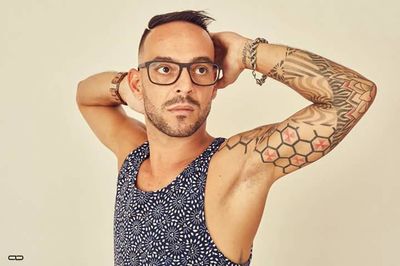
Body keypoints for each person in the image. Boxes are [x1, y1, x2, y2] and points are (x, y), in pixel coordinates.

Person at [75, 10, 377, 266]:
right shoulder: (134, 155)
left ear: (215, 83)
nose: (184, 85)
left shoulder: (234, 165)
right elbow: (85, 95)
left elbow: (353, 94)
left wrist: (248, 52)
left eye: (200, 69)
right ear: (138, 82)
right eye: (165, 69)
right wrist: (124, 88)